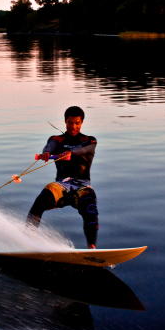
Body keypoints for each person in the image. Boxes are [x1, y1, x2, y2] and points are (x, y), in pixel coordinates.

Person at [26, 106, 99, 249]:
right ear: (65, 121)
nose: (73, 126)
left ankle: (91, 247)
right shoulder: (57, 139)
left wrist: (69, 152)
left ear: (82, 123)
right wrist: (46, 152)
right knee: (40, 201)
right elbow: (50, 145)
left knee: (90, 208)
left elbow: (82, 149)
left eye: (77, 123)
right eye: (70, 122)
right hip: (61, 185)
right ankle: (26, 240)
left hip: (82, 185)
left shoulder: (90, 140)